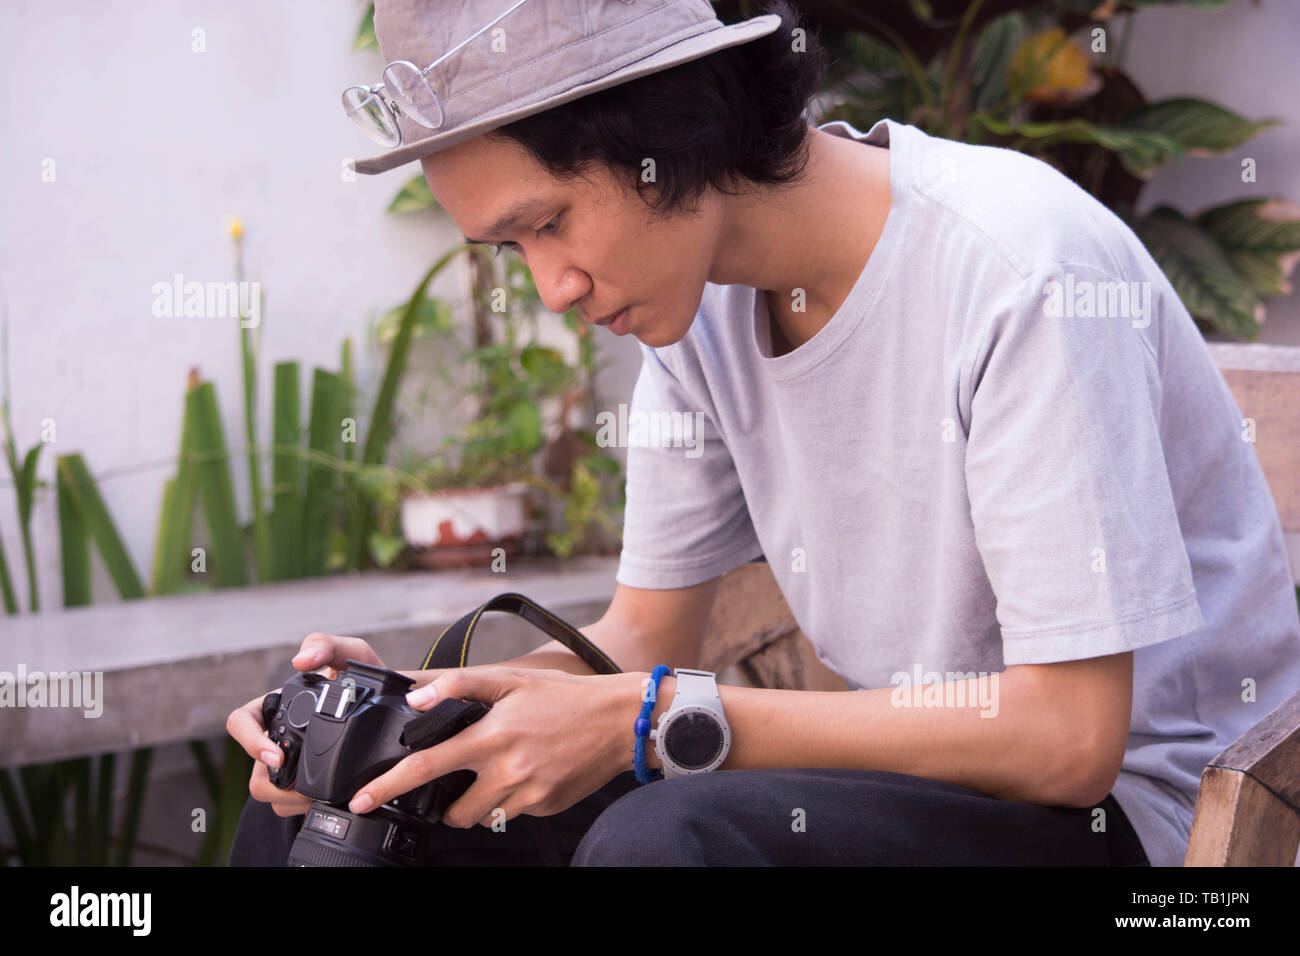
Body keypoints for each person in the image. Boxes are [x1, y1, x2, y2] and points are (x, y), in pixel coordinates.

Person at [227, 0, 1300, 866]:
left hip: (1146, 819)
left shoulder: (1018, 270)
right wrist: (407, 716)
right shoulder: (693, 318)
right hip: (915, 783)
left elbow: (1066, 739)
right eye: (512, 249)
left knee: (670, 837)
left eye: (549, 220)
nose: (552, 287)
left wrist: (653, 721)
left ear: (667, 131)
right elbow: (647, 645)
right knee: (345, 805)